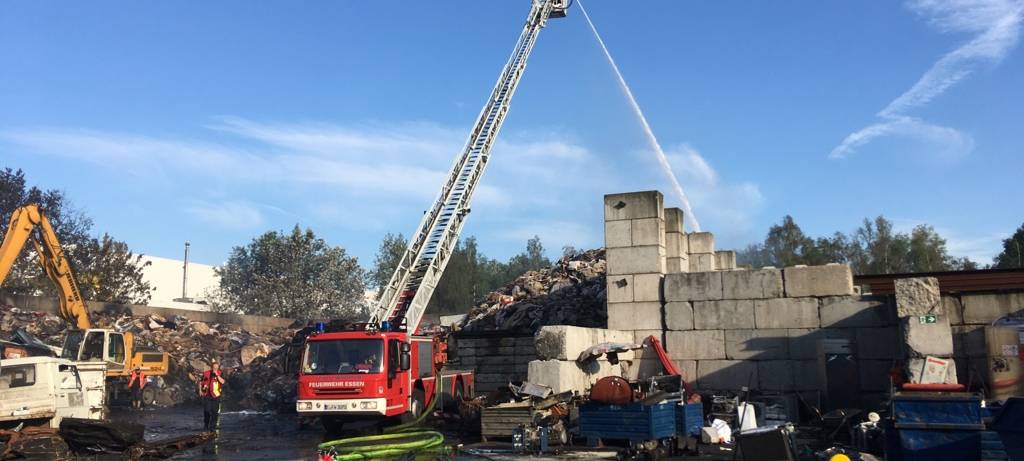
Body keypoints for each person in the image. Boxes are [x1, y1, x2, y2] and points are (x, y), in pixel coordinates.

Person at [199, 359, 226, 431]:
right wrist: (200, 390)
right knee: (207, 410)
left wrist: (217, 375)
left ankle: (213, 427)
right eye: (214, 368)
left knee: (215, 412)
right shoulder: (206, 373)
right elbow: (201, 382)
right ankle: (206, 425)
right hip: (207, 394)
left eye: (217, 368)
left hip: (216, 395)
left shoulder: (220, 373)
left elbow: (223, 382)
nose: (215, 369)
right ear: (211, 367)